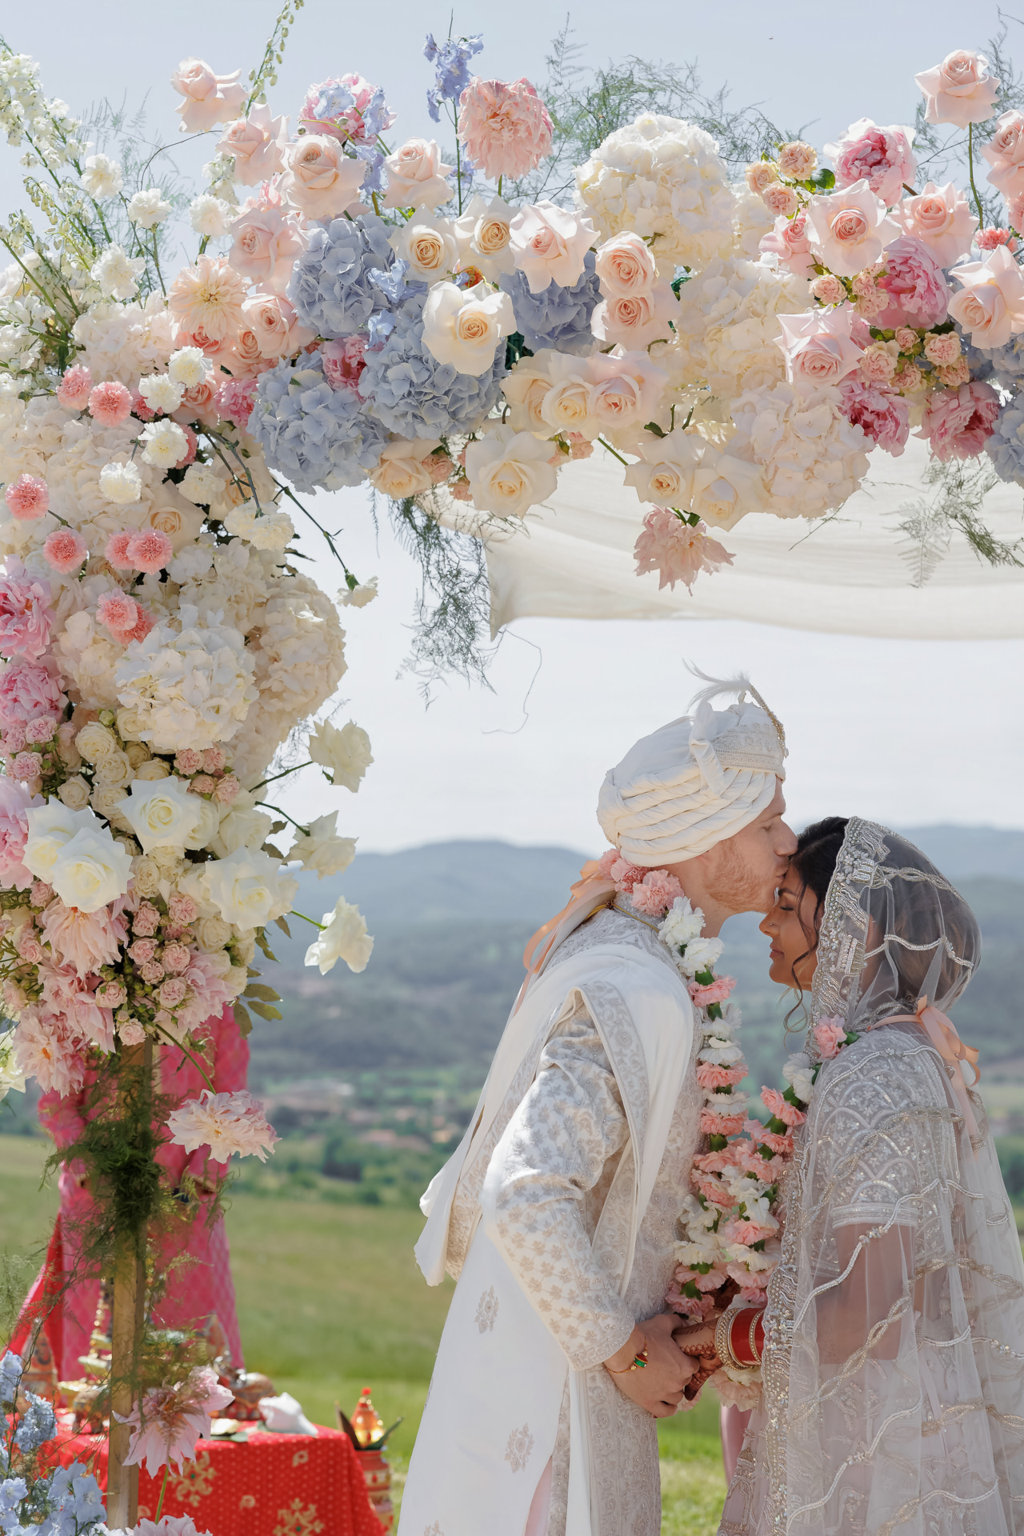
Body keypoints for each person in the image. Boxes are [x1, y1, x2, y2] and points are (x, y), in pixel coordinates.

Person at [397, 677, 796, 1536]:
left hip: (565, 1370)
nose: (787, 843)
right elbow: (524, 1192)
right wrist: (622, 1349)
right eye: (767, 824)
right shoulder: (634, 981)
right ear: (706, 836)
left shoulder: (643, 961)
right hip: (552, 1399)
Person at [704, 816, 1024, 1535]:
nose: (765, 925)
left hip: (875, 1436)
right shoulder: (909, 1056)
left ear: (861, 929)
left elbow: (866, 1319)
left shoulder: (873, 1076)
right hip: (908, 1409)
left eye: (788, 905)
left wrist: (715, 1341)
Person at [12, 1004, 247, 1385]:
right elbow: (57, 1105)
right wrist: (100, 1182)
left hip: (186, 1210)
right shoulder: (78, 999)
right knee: (95, 1357)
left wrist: (192, 1188)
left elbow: (231, 1102)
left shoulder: (213, 1003)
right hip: (99, 1208)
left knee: (190, 1370)